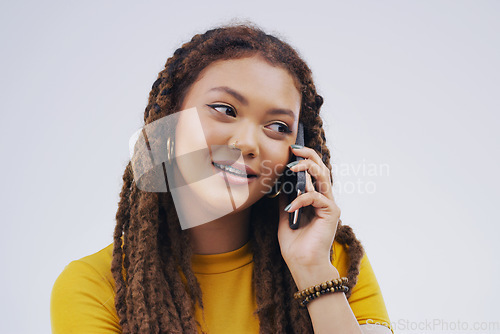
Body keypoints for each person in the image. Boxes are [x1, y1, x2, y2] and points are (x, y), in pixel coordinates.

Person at [50, 22, 393, 334]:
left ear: (298, 152)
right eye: (225, 110)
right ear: (170, 121)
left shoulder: (334, 263)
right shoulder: (94, 286)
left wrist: (312, 272)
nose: (246, 143)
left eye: (277, 127)